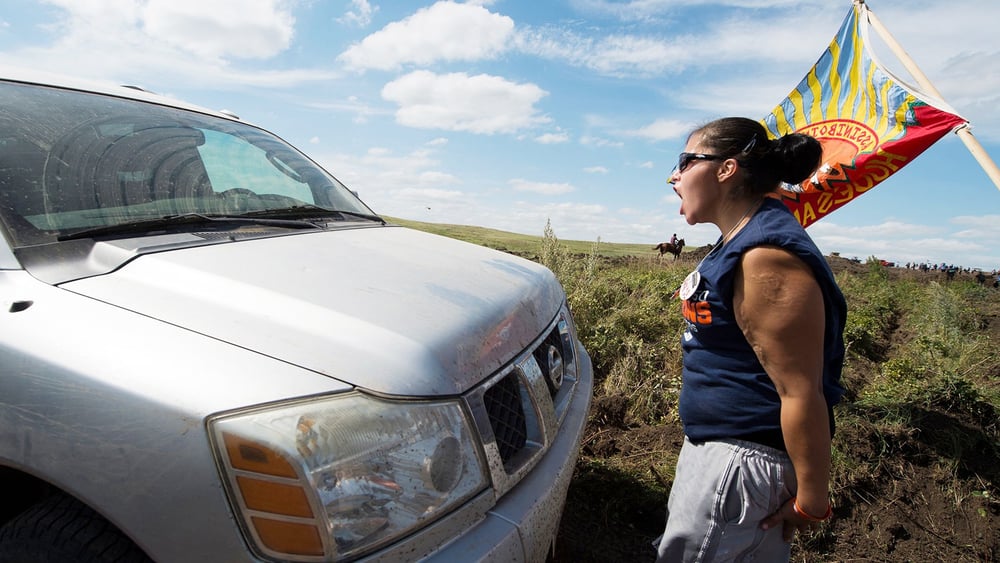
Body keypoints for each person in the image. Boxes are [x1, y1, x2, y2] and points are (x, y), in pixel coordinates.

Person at [655, 117, 846, 562]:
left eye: (685, 162)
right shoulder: (739, 239)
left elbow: (800, 390)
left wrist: (812, 502)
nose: (674, 176)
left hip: (742, 463)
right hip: (722, 455)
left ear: (726, 169)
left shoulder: (765, 256)